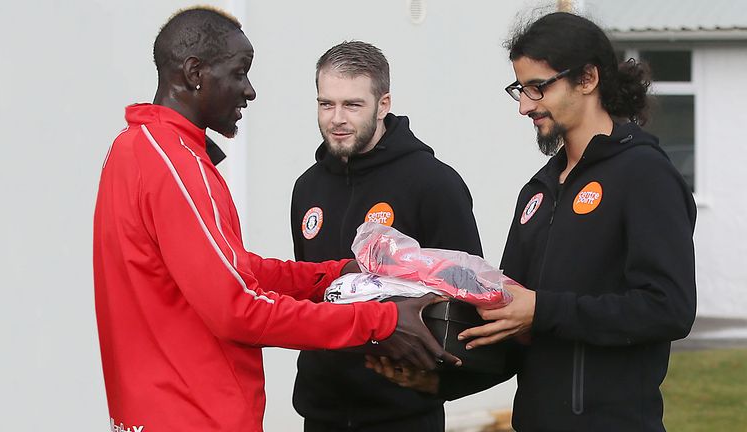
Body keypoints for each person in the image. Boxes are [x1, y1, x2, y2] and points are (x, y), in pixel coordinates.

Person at [93, 8, 458, 432]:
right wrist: (381, 320)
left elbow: (233, 272)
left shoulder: (134, 148)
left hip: (164, 408)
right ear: (195, 73)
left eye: (352, 104)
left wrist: (334, 274)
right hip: (193, 413)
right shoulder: (174, 164)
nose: (249, 91)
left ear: (383, 105)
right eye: (239, 72)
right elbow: (238, 308)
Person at [455, 12, 697, 432]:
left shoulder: (644, 175)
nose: (524, 106)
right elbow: (515, 325)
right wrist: (437, 378)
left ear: (587, 79)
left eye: (537, 87)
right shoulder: (537, 190)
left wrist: (544, 310)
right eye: (519, 88)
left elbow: (669, 308)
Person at [290, 41, 491, 432]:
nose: (337, 119)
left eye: (352, 104)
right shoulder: (306, 188)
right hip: (321, 412)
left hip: (402, 413)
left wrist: (440, 384)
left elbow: (469, 302)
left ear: (383, 104)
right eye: (326, 104)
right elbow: (310, 288)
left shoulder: (433, 183)